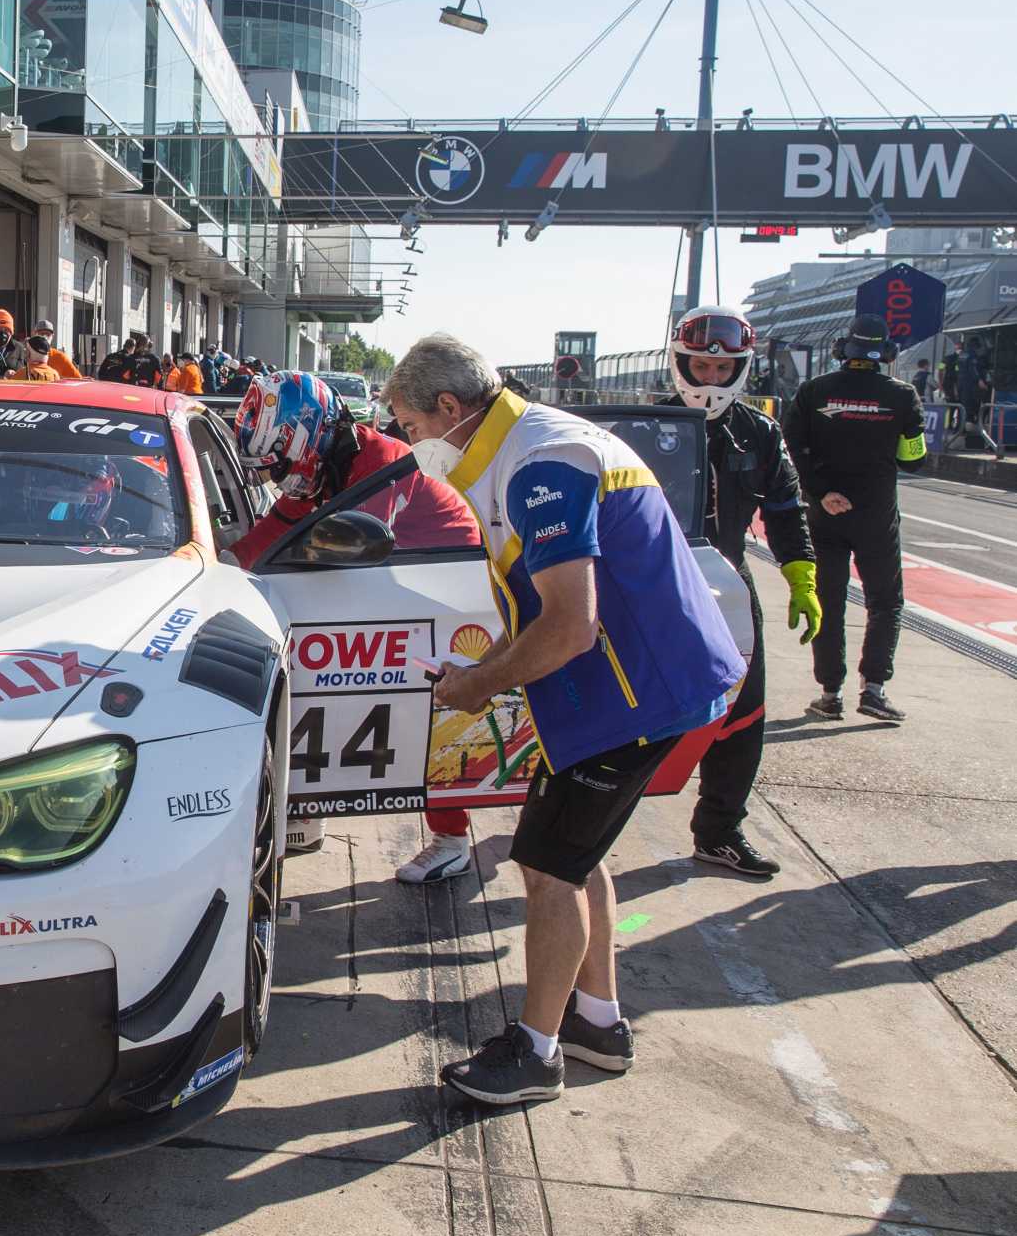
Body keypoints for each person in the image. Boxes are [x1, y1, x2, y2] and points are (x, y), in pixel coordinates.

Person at [386, 334, 744, 1104]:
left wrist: (481, 685)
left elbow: (570, 625)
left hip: (638, 695)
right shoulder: (524, 447)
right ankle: (598, 1023)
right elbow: (543, 607)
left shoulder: (541, 463)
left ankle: (536, 1053)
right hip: (636, 689)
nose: (412, 444)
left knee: (547, 871)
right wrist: (485, 673)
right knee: (579, 864)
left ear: (450, 408)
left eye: (410, 426)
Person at [231, 371, 482, 879]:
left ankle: (453, 838)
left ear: (301, 437)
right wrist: (216, 565)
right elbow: (275, 529)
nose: (278, 477)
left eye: (279, 463)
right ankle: (313, 806)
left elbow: (342, 552)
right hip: (408, 578)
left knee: (431, 710)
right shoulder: (331, 462)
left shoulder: (377, 463)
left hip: (446, 586)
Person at [659, 306, 819, 878]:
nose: (709, 378)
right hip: (652, 582)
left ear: (740, 370)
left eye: (721, 369)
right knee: (629, 709)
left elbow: (786, 510)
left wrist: (802, 574)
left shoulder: (761, 432)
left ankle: (719, 831)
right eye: (699, 365)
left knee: (743, 714)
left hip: (729, 586)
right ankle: (586, 826)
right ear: (681, 363)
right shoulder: (639, 426)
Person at [784, 314, 926, 722]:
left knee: (828, 602)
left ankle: (830, 694)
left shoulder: (813, 391)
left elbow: (791, 447)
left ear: (843, 349)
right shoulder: (902, 395)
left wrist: (820, 492)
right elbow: (913, 461)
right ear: (886, 353)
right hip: (876, 516)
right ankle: (874, 690)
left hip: (825, 511)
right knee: (885, 602)